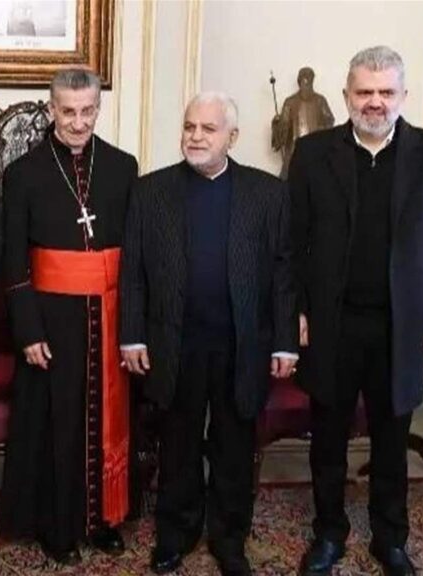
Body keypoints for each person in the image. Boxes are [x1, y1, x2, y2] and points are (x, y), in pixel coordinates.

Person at [290, 46, 423, 576]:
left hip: (402, 328)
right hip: (332, 324)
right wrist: (294, 310)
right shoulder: (312, 153)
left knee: (392, 440)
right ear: (347, 95)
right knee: (327, 439)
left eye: (385, 92)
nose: (375, 102)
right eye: (364, 91)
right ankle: (329, 533)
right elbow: (291, 241)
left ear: (403, 96)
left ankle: (390, 539)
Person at [120, 92, 297, 576]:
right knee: (177, 444)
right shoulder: (150, 190)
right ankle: (175, 534)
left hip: (242, 345)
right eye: (189, 126)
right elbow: (132, 271)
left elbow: (284, 274)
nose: (195, 136)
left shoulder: (267, 194)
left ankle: (229, 538)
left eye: (208, 129)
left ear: (232, 137)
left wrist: (285, 340)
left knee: (234, 446)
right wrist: (132, 335)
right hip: (173, 343)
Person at [0, 68, 139, 565]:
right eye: (68, 112)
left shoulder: (122, 166)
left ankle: (102, 521)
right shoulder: (24, 173)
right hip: (50, 318)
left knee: (106, 419)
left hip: (109, 313)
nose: (78, 123)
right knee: (56, 421)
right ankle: (56, 526)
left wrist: (133, 326)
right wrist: (27, 330)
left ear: (98, 108)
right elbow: (12, 260)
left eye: (88, 111)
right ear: (51, 108)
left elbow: (135, 254)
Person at [271, 67, 335, 179]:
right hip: (294, 151)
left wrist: (320, 132)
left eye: (308, 81)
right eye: (303, 81)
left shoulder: (320, 100)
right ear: (299, 82)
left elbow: (329, 121)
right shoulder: (290, 102)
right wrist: (277, 124)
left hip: (316, 151)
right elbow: (283, 128)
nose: (306, 84)